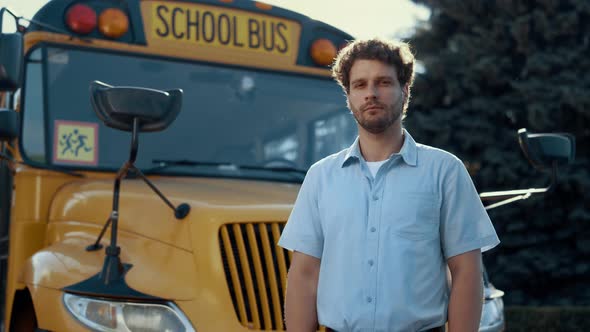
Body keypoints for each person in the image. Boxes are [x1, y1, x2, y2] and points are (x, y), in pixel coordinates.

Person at [278, 38, 500, 332]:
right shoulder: (321, 177)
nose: (371, 93)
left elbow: (466, 272)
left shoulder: (445, 171)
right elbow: (304, 275)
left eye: (383, 82)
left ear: (405, 89)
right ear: (348, 96)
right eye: (359, 85)